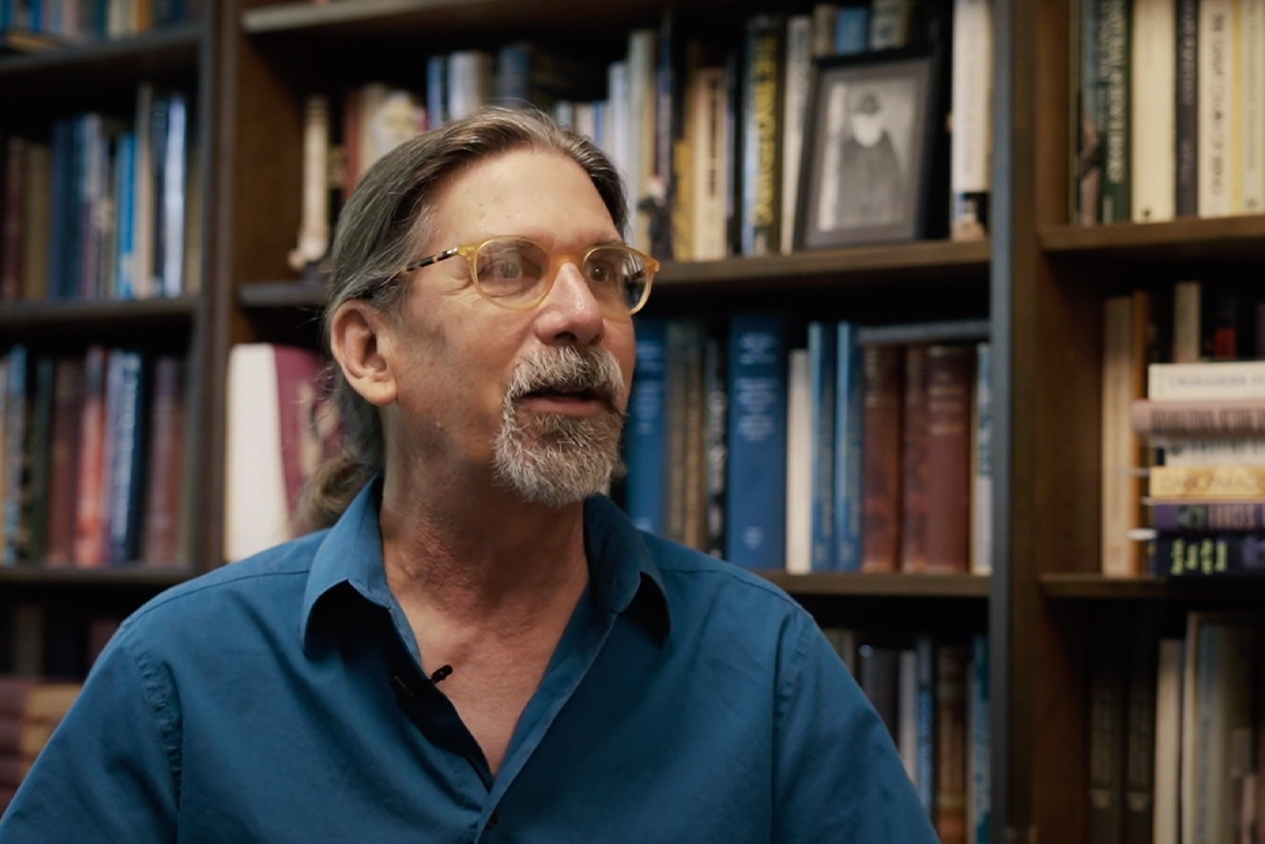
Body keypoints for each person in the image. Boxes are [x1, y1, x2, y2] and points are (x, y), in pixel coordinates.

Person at [0, 108, 940, 843]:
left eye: (608, 271)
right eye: (510, 267)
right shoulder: (180, 674)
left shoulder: (766, 665)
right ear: (370, 351)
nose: (581, 314)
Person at [834, 89, 905, 229]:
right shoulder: (842, 154)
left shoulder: (890, 155)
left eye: (872, 117)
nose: (868, 122)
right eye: (863, 117)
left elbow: (898, 203)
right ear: (854, 120)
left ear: (880, 118)